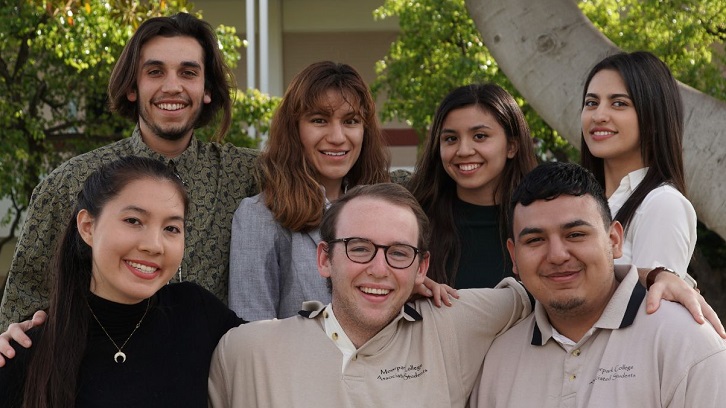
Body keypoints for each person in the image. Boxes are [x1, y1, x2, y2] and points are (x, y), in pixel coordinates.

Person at [206, 183, 716, 408]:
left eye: (399, 253)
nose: (379, 269)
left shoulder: (456, 323)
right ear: (324, 259)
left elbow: (555, 281)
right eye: (359, 249)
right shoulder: (247, 352)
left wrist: (655, 274)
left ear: (424, 267)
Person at [0, 12, 260, 330]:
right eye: (155, 72)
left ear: (207, 90)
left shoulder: (250, 175)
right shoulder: (70, 183)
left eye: (188, 73)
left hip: (217, 375)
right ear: (133, 87)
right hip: (101, 372)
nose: (172, 86)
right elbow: (22, 305)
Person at [470, 162, 726, 408]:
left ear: (614, 239)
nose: (557, 255)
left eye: (576, 234)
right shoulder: (497, 361)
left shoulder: (685, 342)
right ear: (514, 256)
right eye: (535, 240)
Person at [0, 156, 243, 407]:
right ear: (87, 227)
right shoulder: (28, 352)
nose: (153, 245)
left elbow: (278, 346)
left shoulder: (196, 312)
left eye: (171, 228)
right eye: (133, 221)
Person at [228, 61, 391, 320]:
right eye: (319, 120)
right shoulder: (259, 216)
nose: (337, 136)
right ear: (295, 129)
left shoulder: (387, 212)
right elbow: (250, 333)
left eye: (351, 121)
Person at [408, 83, 537, 288]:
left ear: (512, 146)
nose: (464, 150)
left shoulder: (542, 220)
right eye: (451, 139)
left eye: (480, 136)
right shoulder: (411, 220)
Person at [580, 51, 697, 277]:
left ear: (653, 117)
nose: (599, 115)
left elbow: (650, 306)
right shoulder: (581, 200)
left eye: (619, 103)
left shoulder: (662, 204)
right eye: (592, 102)